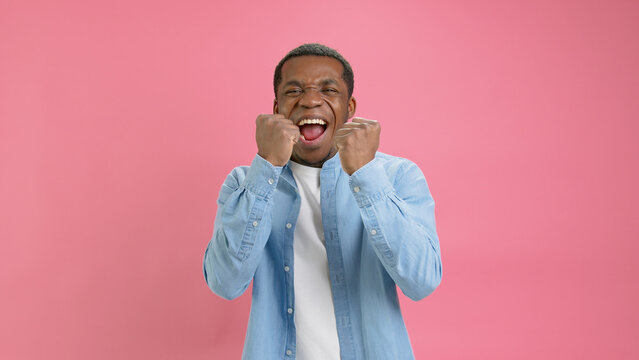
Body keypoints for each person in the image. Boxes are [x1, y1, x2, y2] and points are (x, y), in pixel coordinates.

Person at [203, 43, 442, 360]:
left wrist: (365, 175)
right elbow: (225, 282)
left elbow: (422, 281)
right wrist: (267, 167)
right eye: (294, 91)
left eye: (328, 90)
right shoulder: (244, 183)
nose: (311, 100)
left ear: (350, 107)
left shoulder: (397, 176)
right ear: (276, 109)